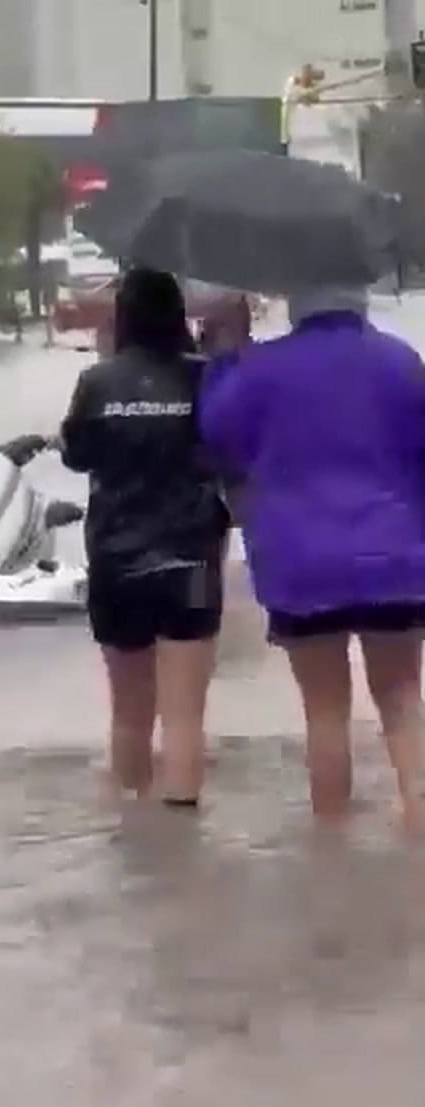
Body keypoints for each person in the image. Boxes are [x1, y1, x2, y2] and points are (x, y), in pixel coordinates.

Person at [201, 285, 425, 832]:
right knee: (401, 702)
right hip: (393, 554)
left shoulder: (262, 369)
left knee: (324, 712)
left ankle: (332, 852)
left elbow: (216, 435)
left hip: (300, 561)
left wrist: (229, 350)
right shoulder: (402, 361)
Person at [60, 267, 230, 806]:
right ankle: (182, 834)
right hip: (193, 560)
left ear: (124, 316)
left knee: (129, 712)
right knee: (185, 715)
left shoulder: (98, 381)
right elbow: (226, 452)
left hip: (116, 560)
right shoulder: (206, 377)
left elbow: (76, 455)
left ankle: (135, 832)